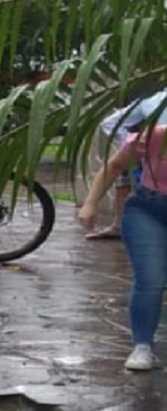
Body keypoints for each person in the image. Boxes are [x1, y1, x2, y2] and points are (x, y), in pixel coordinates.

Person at [80, 125, 167, 371]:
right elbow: (115, 165)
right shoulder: (155, 136)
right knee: (151, 277)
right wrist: (90, 204)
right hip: (149, 210)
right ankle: (142, 346)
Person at [86, 90, 167, 240]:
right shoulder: (150, 101)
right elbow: (111, 123)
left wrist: (131, 144)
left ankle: (119, 225)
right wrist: (134, 144)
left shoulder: (149, 101)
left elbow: (110, 123)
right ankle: (118, 225)